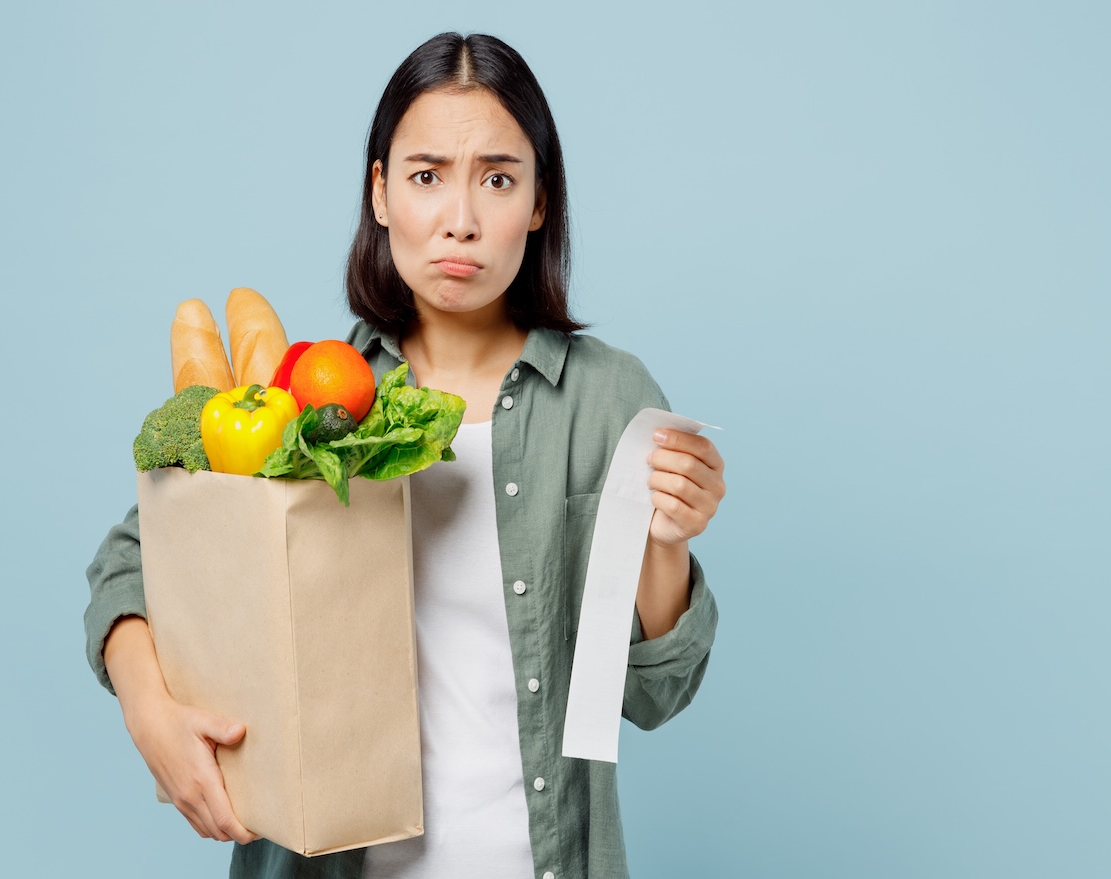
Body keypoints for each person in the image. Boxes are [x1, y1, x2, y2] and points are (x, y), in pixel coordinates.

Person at [85, 31, 726, 879]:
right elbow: (135, 560)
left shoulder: (611, 399)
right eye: (427, 177)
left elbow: (651, 694)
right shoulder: (308, 396)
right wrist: (149, 712)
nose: (461, 219)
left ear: (539, 201)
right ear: (381, 193)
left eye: (498, 178)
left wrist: (668, 538)